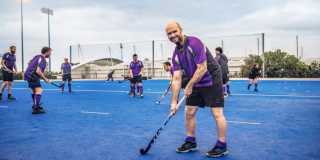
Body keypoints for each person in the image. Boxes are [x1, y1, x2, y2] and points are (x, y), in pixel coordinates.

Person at [166, 22, 228, 158]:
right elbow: (176, 79)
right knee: (188, 112)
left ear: (181, 30)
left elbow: (202, 68)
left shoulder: (194, 43)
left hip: (211, 80)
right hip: (195, 81)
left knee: (217, 113)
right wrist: (173, 103)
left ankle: (222, 145)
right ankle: (191, 142)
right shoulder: (176, 54)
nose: (172, 35)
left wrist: (188, 86)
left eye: (174, 31)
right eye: (169, 34)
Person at [24, 47, 52, 114]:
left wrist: (30, 70)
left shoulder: (37, 56)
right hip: (33, 75)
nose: (50, 54)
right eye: (50, 52)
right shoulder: (42, 59)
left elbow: (29, 63)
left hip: (28, 74)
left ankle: (35, 104)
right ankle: (35, 109)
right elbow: (38, 70)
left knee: (34, 90)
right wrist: (45, 78)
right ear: (46, 52)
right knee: (39, 90)